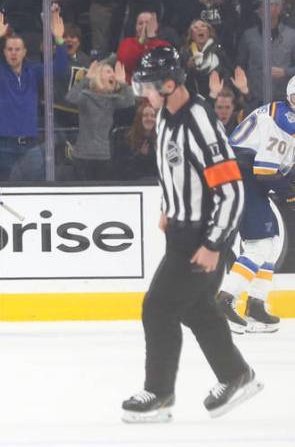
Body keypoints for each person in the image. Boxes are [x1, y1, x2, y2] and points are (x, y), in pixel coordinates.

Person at [123, 46, 260, 422]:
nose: (145, 95)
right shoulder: (166, 116)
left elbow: (231, 189)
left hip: (202, 235)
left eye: (150, 86)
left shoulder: (200, 120)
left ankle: (159, 393)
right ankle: (236, 375)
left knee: (158, 308)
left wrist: (214, 244)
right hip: (182, 229)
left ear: (170, 83)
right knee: (196, 307)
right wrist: (169, 206)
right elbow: (174, 167)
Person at [217, 79, 293, 334]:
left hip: (239, 173)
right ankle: (224, 301)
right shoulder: (285, 121)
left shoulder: (282, 114)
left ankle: (256, 305)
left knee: (271, 243)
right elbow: (265, 171)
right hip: (239, 174)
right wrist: (290, 193)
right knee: (260, 245)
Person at [0, 9, 68, 181]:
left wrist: (59, 38)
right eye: (9, 49)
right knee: (3, 190)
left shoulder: (33, 71)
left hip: (30, 144)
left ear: (25, 52)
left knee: (37, 192)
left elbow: (61, 67)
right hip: (3, 144)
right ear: (4, 52)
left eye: (18, 49)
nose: (13, 53)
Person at [64, 60, 134, 181]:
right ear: (98, 76)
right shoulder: (86, 97)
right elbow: (71, 97)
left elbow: (129, 101)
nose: (113, 75)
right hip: (83, 157)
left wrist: (123, 83)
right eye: (108, 72)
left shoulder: (112, 100)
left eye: (113, 72)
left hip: (104, 157)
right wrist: (86, 79)